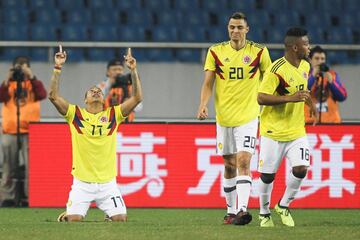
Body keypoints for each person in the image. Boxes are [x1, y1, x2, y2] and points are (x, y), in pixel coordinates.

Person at [49, 46, 142, 222]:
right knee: (75, 220)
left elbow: (137, 98)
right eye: (91, 91)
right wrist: (57, 68)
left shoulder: (113, 115)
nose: (96, 91)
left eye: (98, 91)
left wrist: (133, 70)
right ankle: (69, 212)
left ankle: (110, 212)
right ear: (85, 100)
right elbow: (53, 96)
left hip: (108, 183)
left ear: (102, 97)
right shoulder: (75, 115)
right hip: (82, 183)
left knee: (121, 219)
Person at [197, 12, 272, 225]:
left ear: (247, 29)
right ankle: (230, 211)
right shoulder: (216, 51)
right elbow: (208, 82)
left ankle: (242, 209)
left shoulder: (259, 52)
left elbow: (269, 80)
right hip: (224, 117)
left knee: (244, 160)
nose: (235, 31)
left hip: (249, 116)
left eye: (239, 27)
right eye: (232, 27)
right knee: (229, 164)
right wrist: (203, 104)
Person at [257, 27, 317, 227]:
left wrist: (312, 106)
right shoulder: (276, 70)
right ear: (294, 47)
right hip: (273, 132)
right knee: (267, 176)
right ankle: (264, 213)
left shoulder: (305, 66)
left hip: (296, 131)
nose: (309, 48)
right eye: (306, 44)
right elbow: (261, 97)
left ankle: (283, 205)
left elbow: (303, 91)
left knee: (301, 169)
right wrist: (290, 98)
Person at [0, 56, 47, 207]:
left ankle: (29, 197)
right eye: (18, 67)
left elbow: (42, 95)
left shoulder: (34, 84)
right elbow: (1, 97)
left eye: (24, 67)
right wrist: (7, 79)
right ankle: (8, 197)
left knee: (31, 167)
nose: (21, 70)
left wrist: (31, 76)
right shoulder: (8, 84)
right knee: (8, 166)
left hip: (31, 130)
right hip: (10, 130)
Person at [305, 46, 347, 123]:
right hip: (309, 123)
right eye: (317, 58)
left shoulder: (332, 75)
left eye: (322, 59)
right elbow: (301, 92)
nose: (320, 61)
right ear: (310, 60)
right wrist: (313, 76)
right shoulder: (304, 74)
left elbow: (342, 97)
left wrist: (332, 82)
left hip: (331, 123)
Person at [97, 58, 143, 122]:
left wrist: (129, 102)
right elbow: (96, 102)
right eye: (114, 69)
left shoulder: (129, 87)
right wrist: (110, 84)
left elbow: (139, 108)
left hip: (127, 124)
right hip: (107, 124)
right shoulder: (102, 86)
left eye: (120, 69)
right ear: (108, 72)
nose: (117, 72)